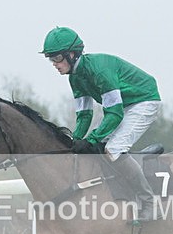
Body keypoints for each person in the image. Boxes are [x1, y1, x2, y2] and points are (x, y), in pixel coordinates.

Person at [40, 26, 161, 222]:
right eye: (51, 59)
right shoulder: (75, 77)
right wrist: (74, 141)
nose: (54, 64)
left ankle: (150, 203)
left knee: (112, 149)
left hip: (144, 101)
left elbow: (114, 113)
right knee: (96, 148)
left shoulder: (99, 71)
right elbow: (84, 115)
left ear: (72, 54)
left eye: (57, 58)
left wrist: (92, 139)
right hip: (125, 104)